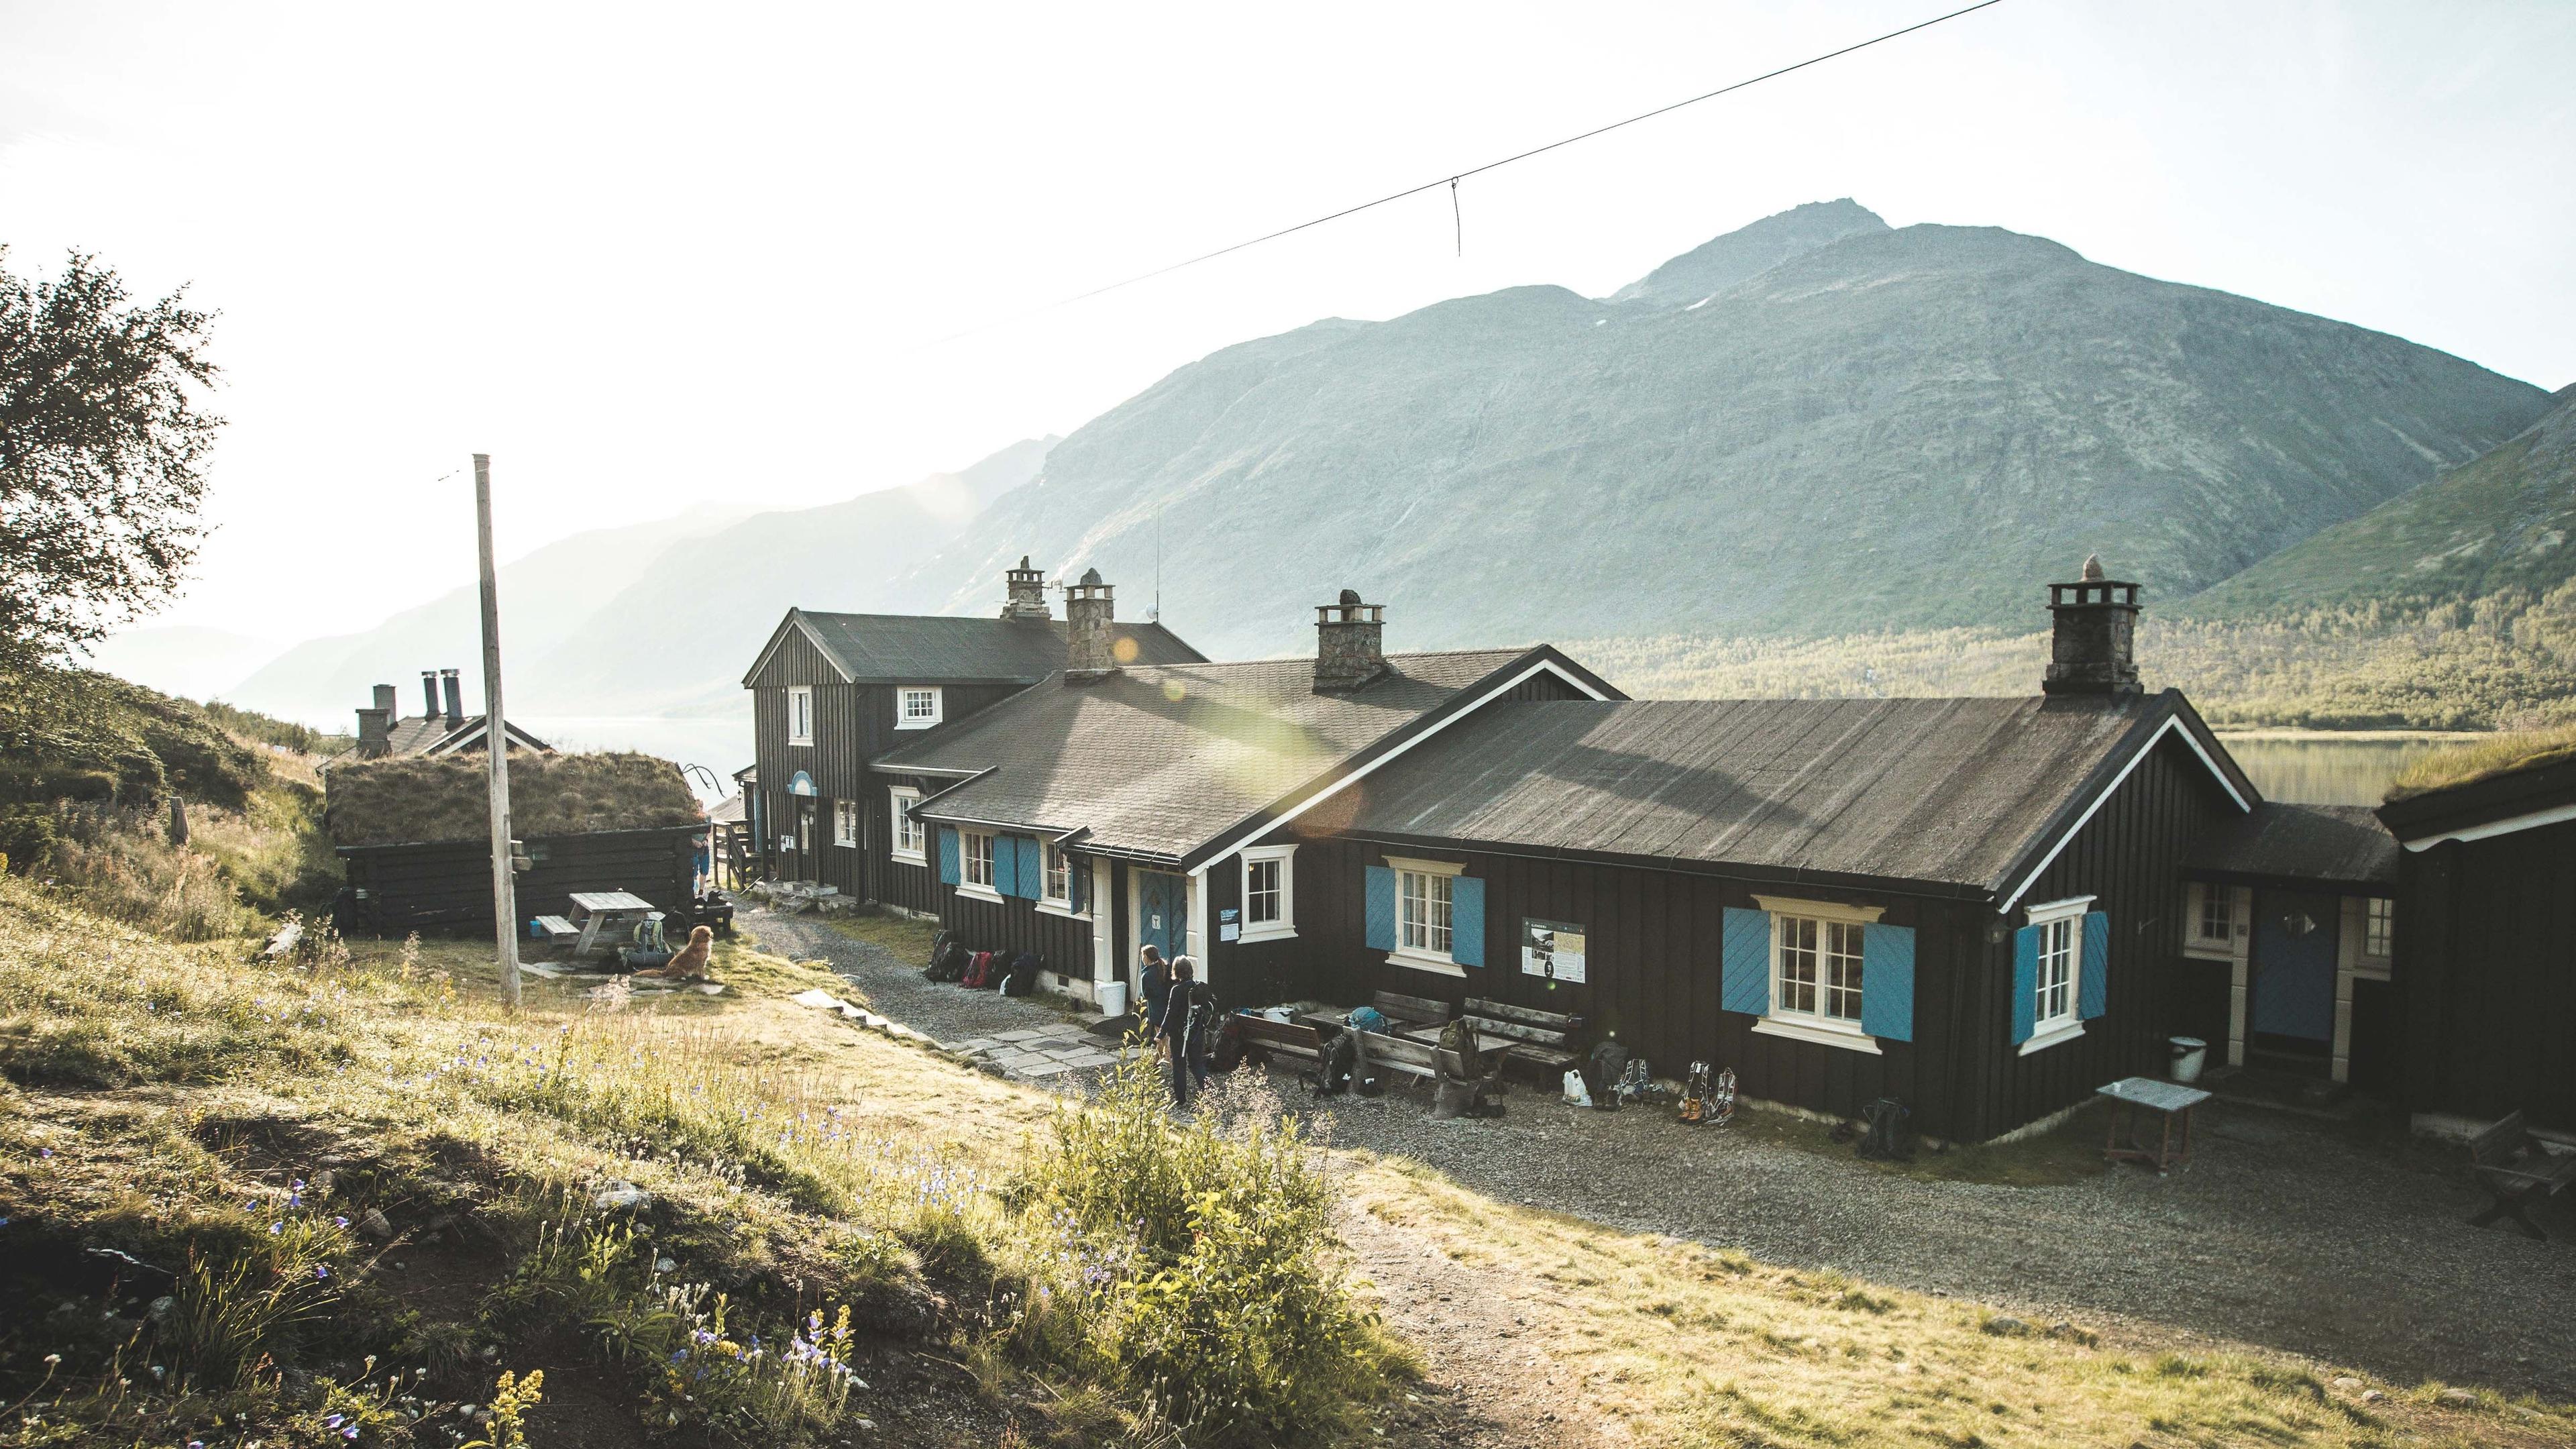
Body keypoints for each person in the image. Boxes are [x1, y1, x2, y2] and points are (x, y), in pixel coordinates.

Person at [1160, 956, 1212, 1108]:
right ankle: (1210, 1093)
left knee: (1179, 1066)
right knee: (1197, 1064)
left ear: (1176, 972)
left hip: (1179, 1034)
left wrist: (1161, 1033)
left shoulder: (1176, 990)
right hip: (1197, 1032)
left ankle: (1180, 1099)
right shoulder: (1200, 986)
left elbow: (1170, 1013)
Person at [1138, 945, 1171, 1038]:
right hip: (1169, 1007)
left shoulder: (1146, 976)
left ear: (1146, 957)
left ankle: (1164, 1048)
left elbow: (1145, 995)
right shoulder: (1166, 968)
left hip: (1156, 1009)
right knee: (1167, 1036)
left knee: (1160, 1036)